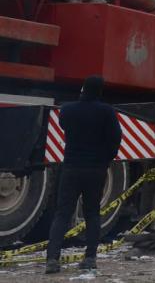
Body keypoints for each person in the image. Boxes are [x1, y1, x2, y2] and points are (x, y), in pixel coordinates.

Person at [44, 76, 123, 275]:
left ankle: (52, 260)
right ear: (100, 91)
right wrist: (106, 157)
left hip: (71, 167)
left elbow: (64, 127)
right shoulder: (107, 112)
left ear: (82, 89)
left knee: (62, 213)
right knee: (92, 214)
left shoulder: (68, 110)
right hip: (96, 169)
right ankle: (90, 258)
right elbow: (116, 138)